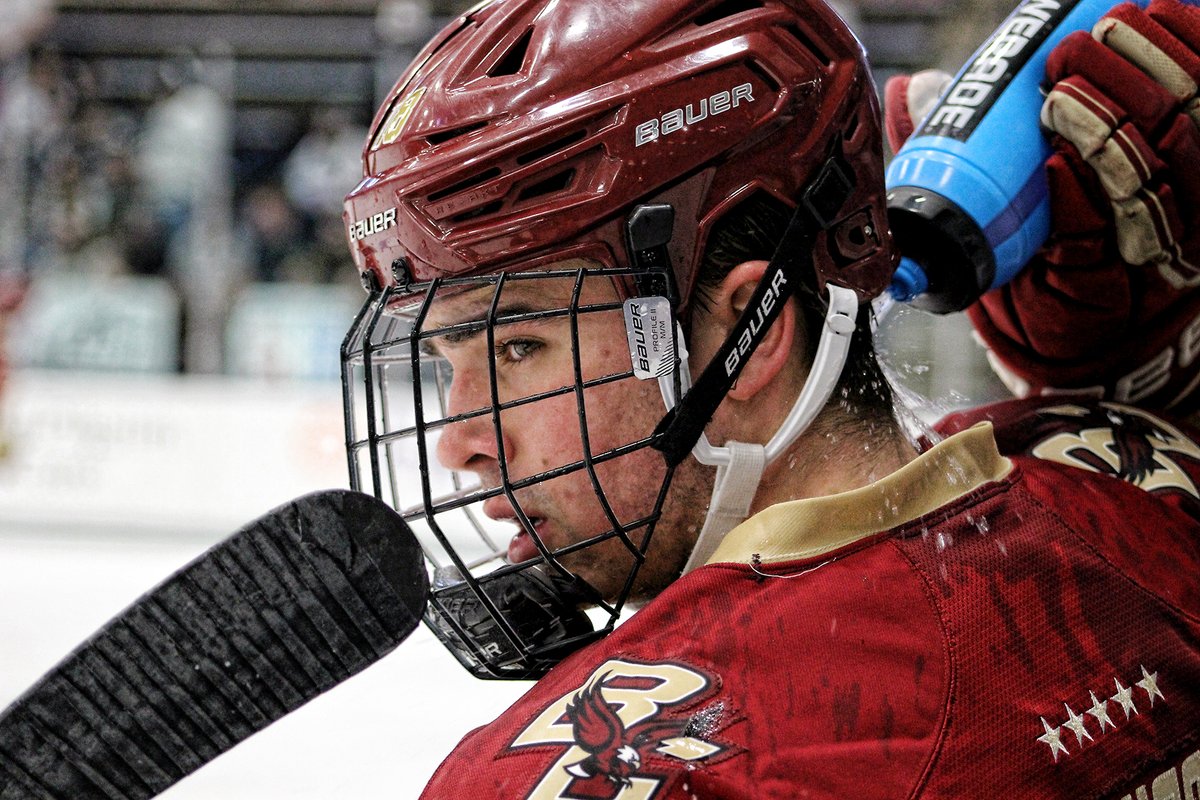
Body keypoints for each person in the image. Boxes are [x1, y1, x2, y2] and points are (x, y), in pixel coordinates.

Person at [339, 0, 1200, 796]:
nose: (458, 441)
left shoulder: (614, 770)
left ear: (748, 327)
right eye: (446, 362)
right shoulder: (1142, 493)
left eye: (519, 346)